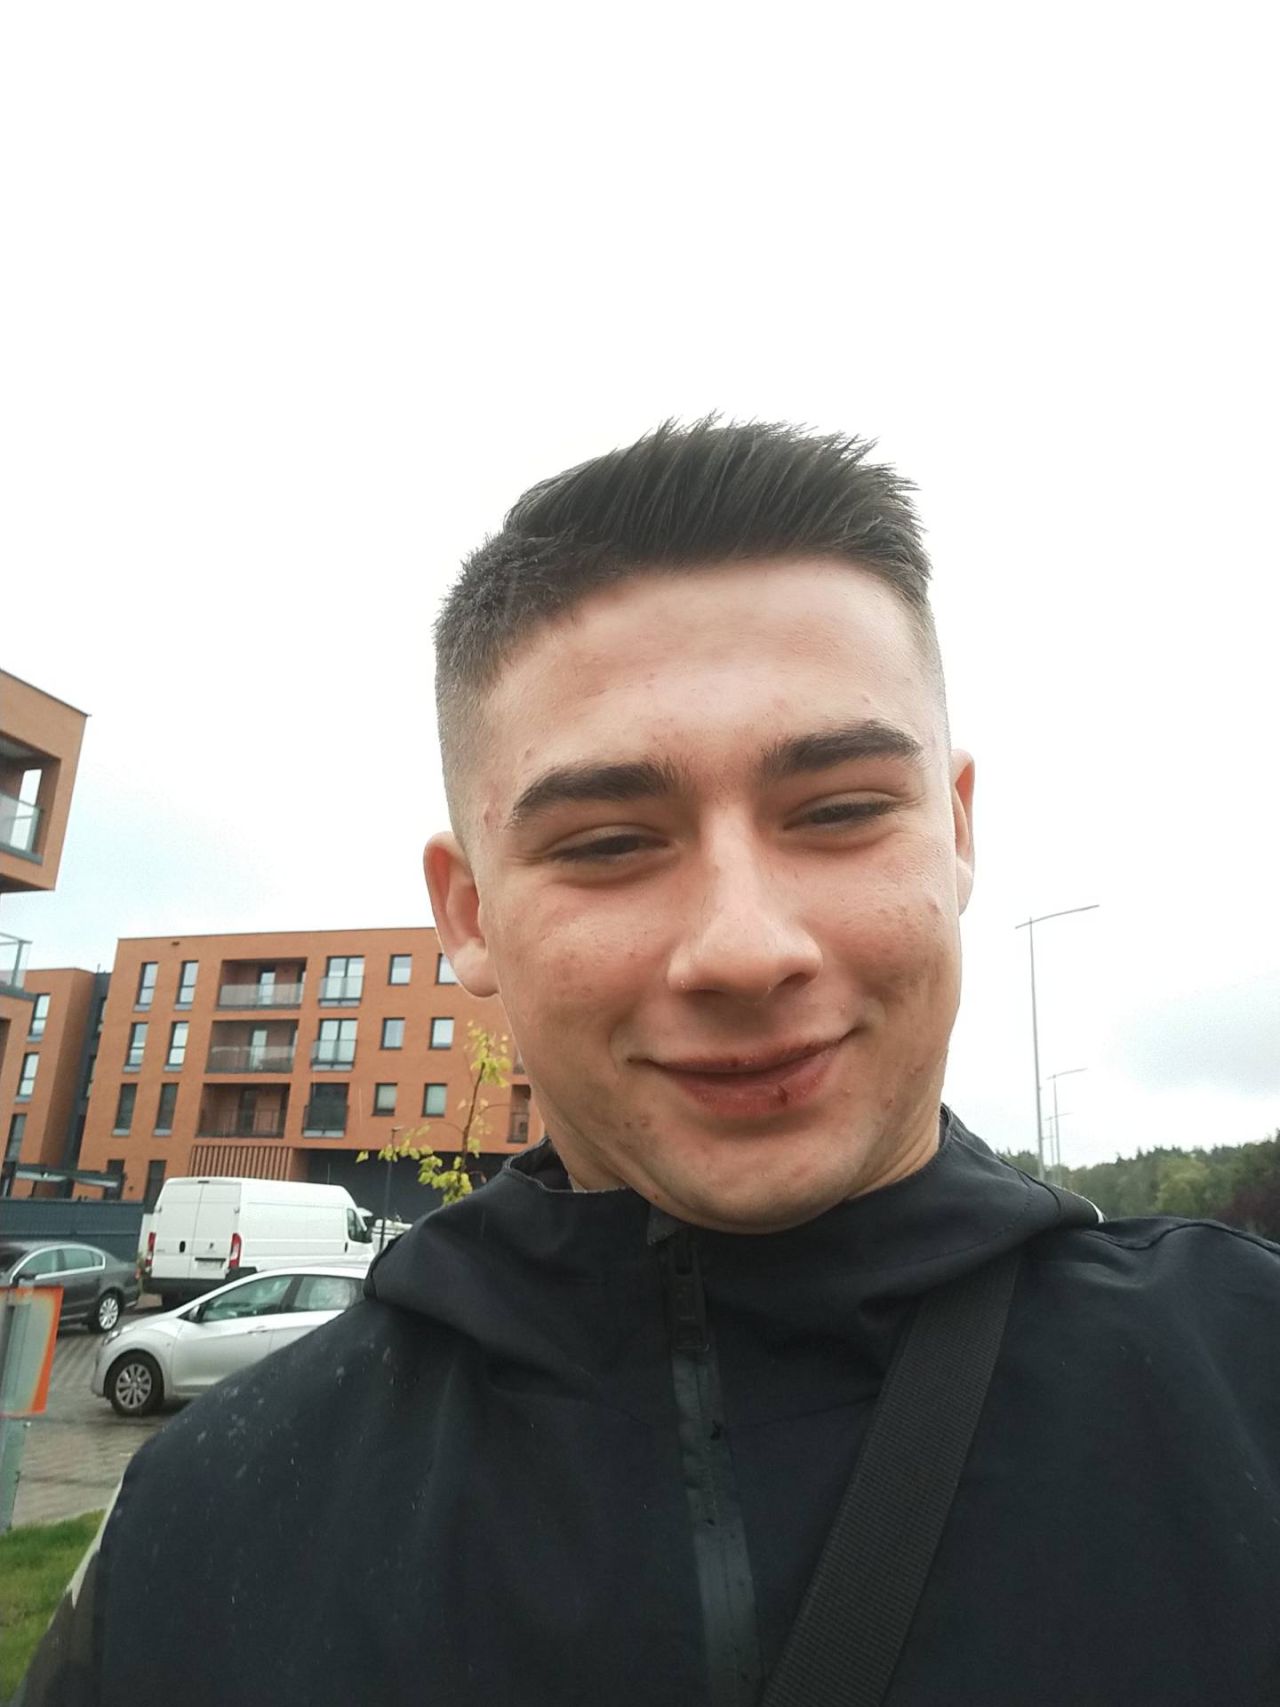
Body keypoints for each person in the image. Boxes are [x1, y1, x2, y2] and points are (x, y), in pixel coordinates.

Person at [20, 421, 1280, 1706]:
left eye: (840, 811)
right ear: (469, 915)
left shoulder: (1248, 1384)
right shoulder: (207, 1530)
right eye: (609, 843)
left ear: (953, 833)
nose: (744, 948)